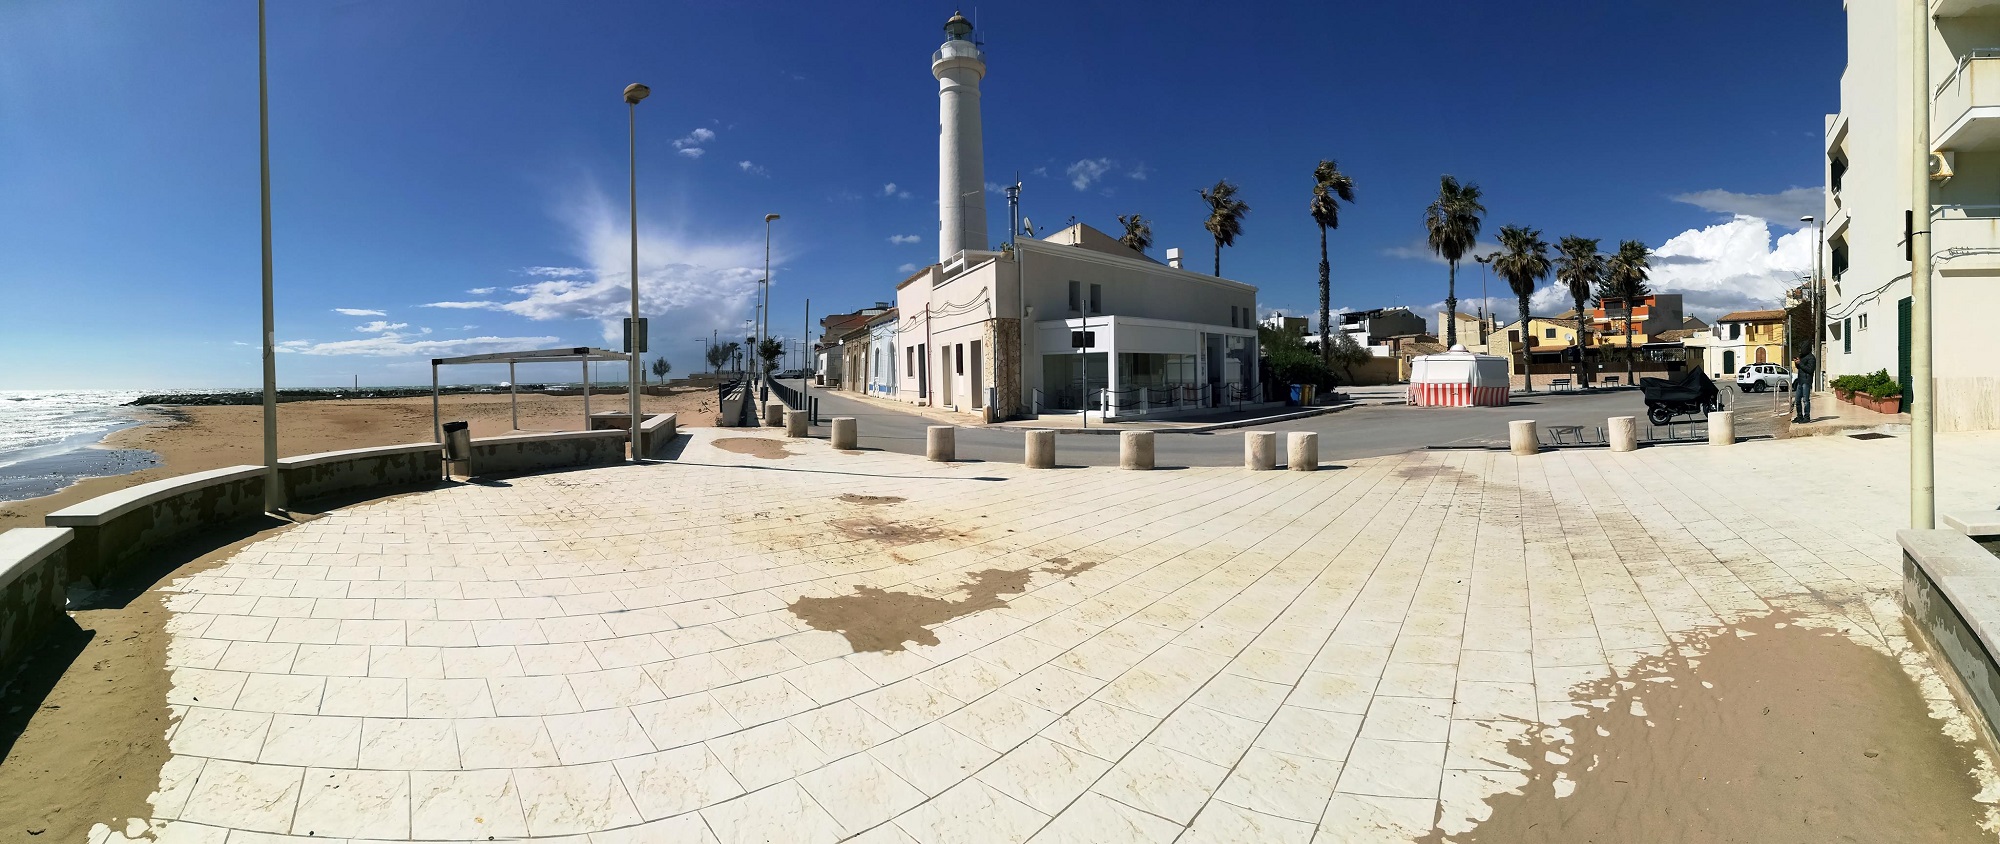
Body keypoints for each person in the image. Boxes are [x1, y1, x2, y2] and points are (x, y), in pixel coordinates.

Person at [1791, 351, 1817, 423]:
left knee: (1806, 400)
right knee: (1797, 400)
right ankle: (1799, 416)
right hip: (1800, 381)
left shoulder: (1811, 357)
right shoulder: (1801, 356)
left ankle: (1807, 417)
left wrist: (1800, 363)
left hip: (1806, 381)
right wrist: (1797, 363)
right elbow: (1799, 367)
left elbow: (1810, 369)